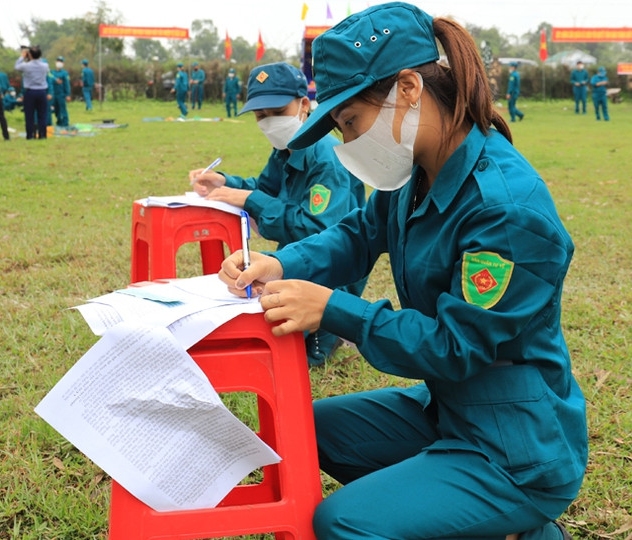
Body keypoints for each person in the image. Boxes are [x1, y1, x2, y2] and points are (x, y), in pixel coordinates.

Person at [217, 3, 587, 539]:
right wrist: (278, 261)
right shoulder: (419, 175)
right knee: (305, 429)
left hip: (514, 446)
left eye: (350, 123)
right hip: (449, 409)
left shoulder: (505, 209)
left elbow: (455, 346)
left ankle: (517, 517)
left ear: (408, 89)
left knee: (342, 523)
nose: (347, 145)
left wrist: (332, 309)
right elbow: (358, 234)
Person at [190, 62, 367, 365]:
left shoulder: (326, 157)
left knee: (272, 354)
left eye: (277, 112)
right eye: (261, 116)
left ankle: (332, 331)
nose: (269, 122)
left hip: (329, 276)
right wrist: (226, 182)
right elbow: (266, 189)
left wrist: (251, 199)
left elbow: (318, 230)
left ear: (304, 104)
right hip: (295, 262)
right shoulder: (287, 148)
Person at [15, 45, 50, 139]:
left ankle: (30, 135)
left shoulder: (26, 66)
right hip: (42, 92)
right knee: (42, 114)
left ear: (29, 55)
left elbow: (16, 66)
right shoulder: (45, 65)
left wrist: (23, 56)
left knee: (29, 115)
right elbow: (40, 61)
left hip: (30, 92)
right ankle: (43, 135)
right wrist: (34, 54)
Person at [50, 56, 71, 126]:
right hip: (53, 94)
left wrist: (68, 94)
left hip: (61, 94)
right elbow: (49, 78)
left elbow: (67, 84)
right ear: (55, 62)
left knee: (63, 109)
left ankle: (65, 122)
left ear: (63, 63)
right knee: (56, 110)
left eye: (61, 61)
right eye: (58, 61)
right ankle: (59, 121)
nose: (59, 62)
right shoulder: (52, 72)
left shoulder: (65, 73)